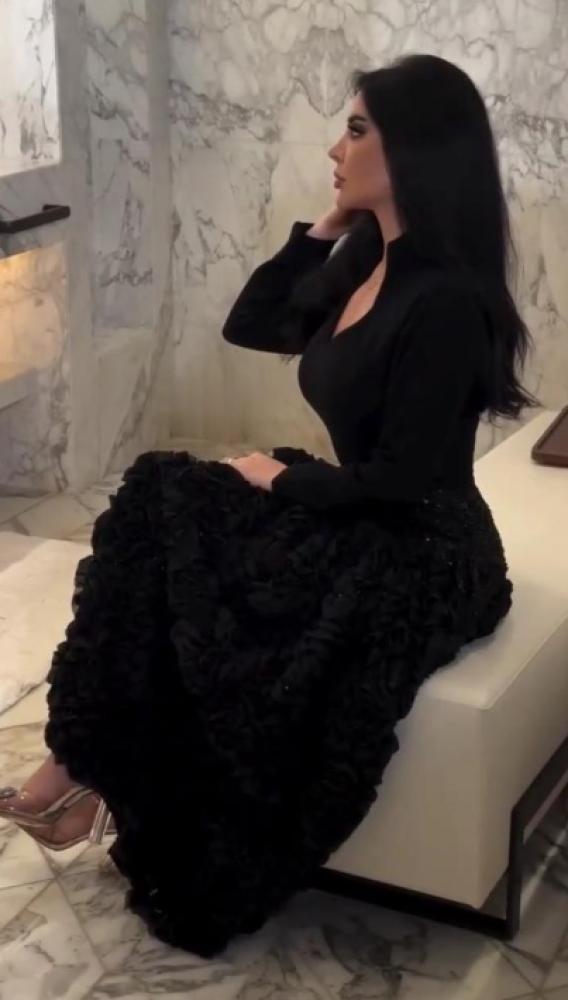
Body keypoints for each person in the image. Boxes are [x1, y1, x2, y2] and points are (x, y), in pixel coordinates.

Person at [0, 54, 535, 956]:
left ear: (413, 151)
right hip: (361, 508)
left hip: (427, 548)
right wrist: (325, 229)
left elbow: (401, 481)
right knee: (159, 504)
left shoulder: (445, 298)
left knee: (206, 556)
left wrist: (276, 479)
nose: (334, 148)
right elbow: (249, 324)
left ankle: (80, 776)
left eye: (356, 131)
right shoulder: (366, 261)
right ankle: (81, 765)